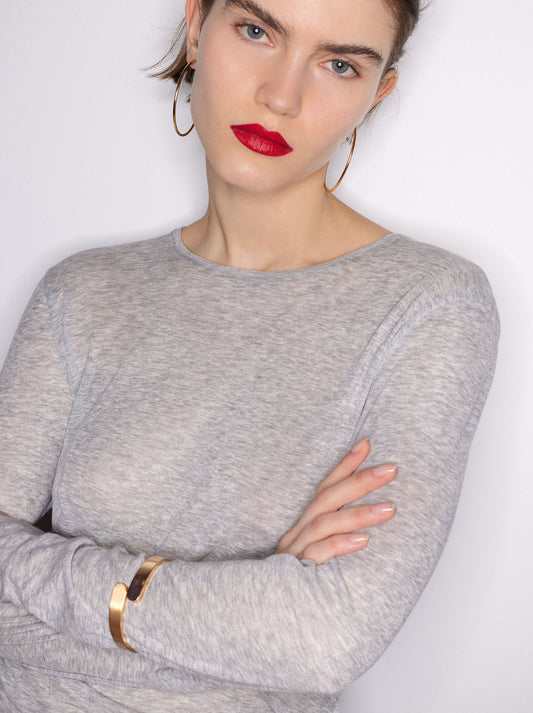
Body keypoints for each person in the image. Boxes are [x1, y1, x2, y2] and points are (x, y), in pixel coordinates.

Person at [0, 0, 499, 711]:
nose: (281, 95)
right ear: (196, 28)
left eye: (338, 64)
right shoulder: (81, 292)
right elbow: (288, 644)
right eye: (258, 31)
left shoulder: (429, 304)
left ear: (376, 92)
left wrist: (37, 575)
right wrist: (240, 627)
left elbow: (324, 642)